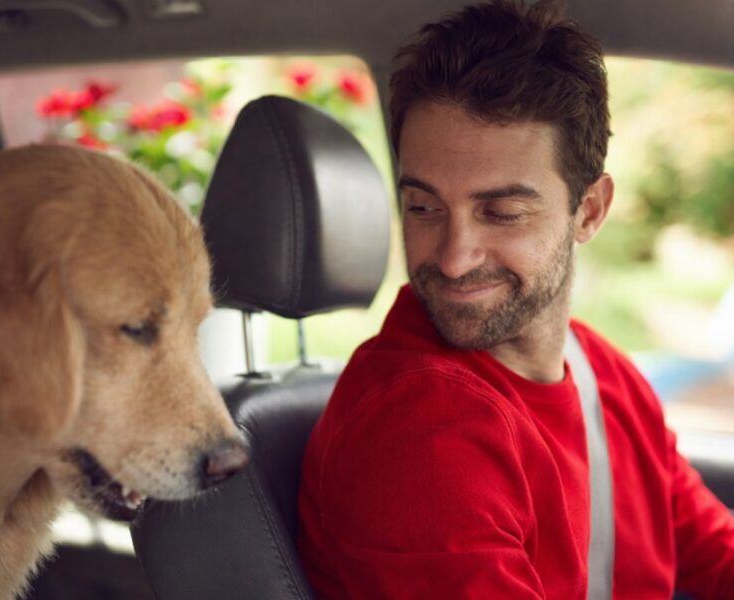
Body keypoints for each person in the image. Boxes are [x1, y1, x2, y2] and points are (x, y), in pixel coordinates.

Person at [296, 1, 734, 598]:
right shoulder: (419, 428)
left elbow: (713, 551)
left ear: (589, 211)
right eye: (424, 207)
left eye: (501, 213)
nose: (453, 257)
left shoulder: (602, 374)